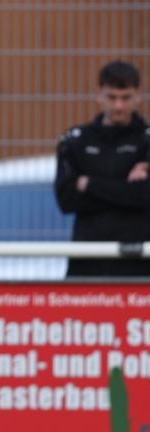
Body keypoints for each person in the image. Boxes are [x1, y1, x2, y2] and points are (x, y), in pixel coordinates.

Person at [55, 60, 150, 277]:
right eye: (112, 97)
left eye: (125, 98)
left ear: (138, 95)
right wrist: (126, 189)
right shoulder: (75, 141)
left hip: (139, 263)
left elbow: (144, 195)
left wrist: (89, 184)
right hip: (88, 261)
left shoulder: (146, 140)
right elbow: (67, 200)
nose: (118, 106)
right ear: (99, 94)